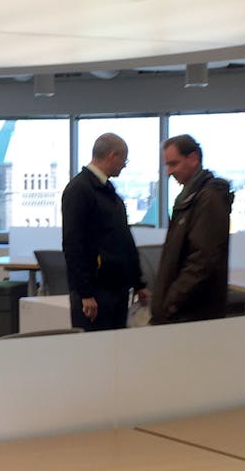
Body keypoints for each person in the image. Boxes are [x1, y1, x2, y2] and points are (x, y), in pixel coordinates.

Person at [61, 132, 148, 331]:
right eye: (123, 159)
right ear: (112, 156)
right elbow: (73, 244)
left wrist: (139, 283)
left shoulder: (108, 190)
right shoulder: (79, 190)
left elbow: (123, 240)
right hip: (95, 293)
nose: (124, 165)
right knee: (93, 353)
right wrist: (85, 293)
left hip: (115, 289)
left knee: (115, 351)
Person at [151, 134, 233, 324]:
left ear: (194, 159)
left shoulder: (209, 198)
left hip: (192, 313)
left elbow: (202, 260)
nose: (169, 172)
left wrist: (171, 303)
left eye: (174, 164)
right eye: (167, 165)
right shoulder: (189, 198)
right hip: (182, 311)